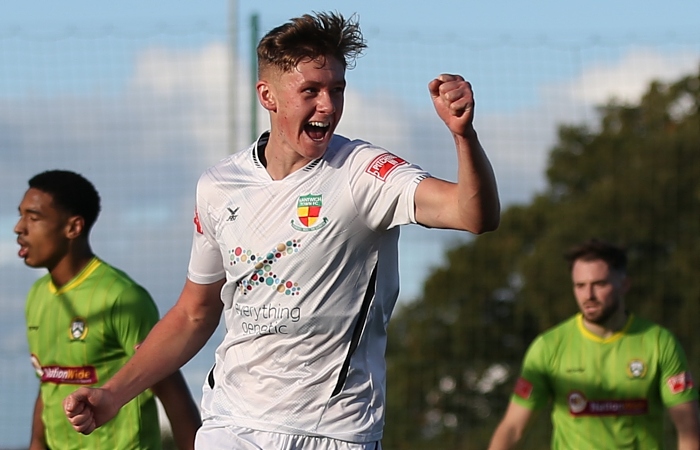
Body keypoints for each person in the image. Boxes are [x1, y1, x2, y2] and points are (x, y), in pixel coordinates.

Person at [62, 11, 500, 450]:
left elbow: (473, 215)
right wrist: (113, 394)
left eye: (337, 90)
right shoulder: (218, 186)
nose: (327, 106)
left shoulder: (365, 172)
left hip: (336, 432)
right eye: (310, 91)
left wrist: (464, 136)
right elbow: (194, 314)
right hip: (231, 425)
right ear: (267, 96)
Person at [15, 170, 202, 450]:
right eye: (20, 215)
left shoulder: (121, 297)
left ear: (73, 228)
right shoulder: (36, 295)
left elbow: (170, 389)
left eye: (34, 217)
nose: (19, 227)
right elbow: (49, 384)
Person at [488, 239, 700, 450]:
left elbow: (689, 429)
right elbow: (513, 428)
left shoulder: (659, 343)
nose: (588, 295)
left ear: (624, 284)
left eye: (599, 284)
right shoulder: (548, 346)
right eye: (580, 286)